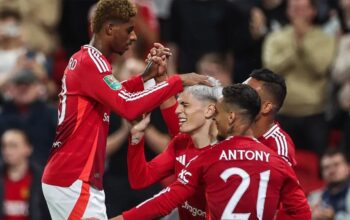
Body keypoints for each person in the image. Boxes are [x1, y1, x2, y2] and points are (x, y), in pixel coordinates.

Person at [41, 0, 210, 219]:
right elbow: (128, 106)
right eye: (129, 30)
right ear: (110, 28)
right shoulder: (93, 63)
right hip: (75, 177)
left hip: (72, 175)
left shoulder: (86, 60)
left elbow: (115, 93)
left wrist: (145, 77)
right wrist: (177, 81)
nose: (134, 37)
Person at [111, 84, 311, 220]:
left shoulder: (208, 158)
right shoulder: (276, 161)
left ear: (231, 117)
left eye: (219, 112)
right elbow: (301, 212)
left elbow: (166, 200)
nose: (215, 117)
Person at [126, 77, 222, 219]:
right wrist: (137, 135)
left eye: (185, 105)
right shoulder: (181, 143)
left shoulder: (226, 153)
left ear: (209, 110)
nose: (177, 110)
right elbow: (140, 179)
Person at [262, 0, 336, 156]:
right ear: (287, 11)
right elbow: (271, 69)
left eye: (303, 8)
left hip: (315, 112)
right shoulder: (276, 37)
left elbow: (320, 68)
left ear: (313, 11)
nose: (298, 13)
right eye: (294, 8)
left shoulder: (325, 38)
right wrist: (296, 47)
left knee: (319, 165)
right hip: (283, 111)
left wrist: (303, 44)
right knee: (281, 162)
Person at [244, 68, 296, 166]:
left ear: (266, 107)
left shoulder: (279, 149)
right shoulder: (231, 129)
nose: (239, 98)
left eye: (247, 95)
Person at [0, 128, 50, 220]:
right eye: (4, 146)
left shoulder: (42, 180)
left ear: (28, 148)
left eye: (13, 146)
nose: (7, 150)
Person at [308, 148, 350, 220]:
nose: (331, 170)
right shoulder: (314, 198)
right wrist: (310, 217)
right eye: (326, 167)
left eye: (336, 165)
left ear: (348, 168)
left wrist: (334, 217)